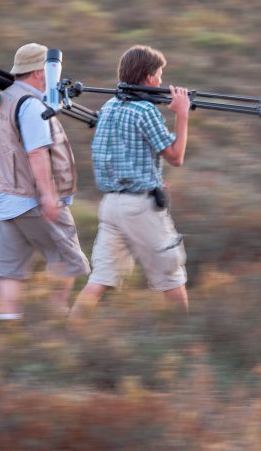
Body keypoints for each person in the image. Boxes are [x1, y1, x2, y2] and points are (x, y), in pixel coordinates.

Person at [69, 45, 191, 323]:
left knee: (100, 278)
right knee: (171, 274)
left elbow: (120, 153)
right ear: (149, 77)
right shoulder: (145, 111)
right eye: (159, 75)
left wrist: (150, 178)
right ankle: (187, 341)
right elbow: (176, 157)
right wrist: (182, 114)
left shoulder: (110, 106)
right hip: (139, 207)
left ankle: (70, 330)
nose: (161, 81)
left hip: (111, 205)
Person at [0, 42, 89, 321]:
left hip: (6, 198)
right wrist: (48, 195)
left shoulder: (4, 99)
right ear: (41, 73)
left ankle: (8, 331)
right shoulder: (31, 105)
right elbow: (37, 152)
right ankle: (56, 322)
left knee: (9, 270)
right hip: (31, 198)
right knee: (67, 259)